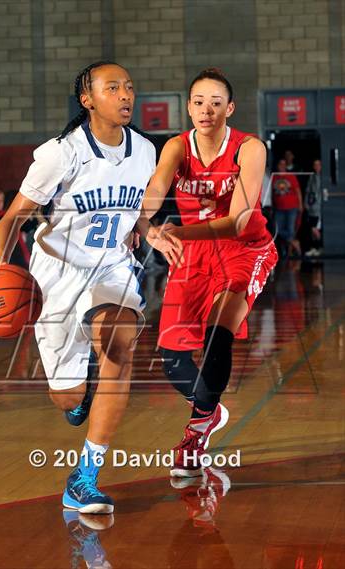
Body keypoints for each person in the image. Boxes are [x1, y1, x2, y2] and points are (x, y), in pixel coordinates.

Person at [0, 61, 179, 513]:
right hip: (57, 274)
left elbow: (135, 211)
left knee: (119, 343)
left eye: (129, 87)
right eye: (112, 87)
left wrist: (148, 230)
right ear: (87, 99)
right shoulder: (61, 153)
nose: (125, 94)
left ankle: (85, 479)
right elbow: (11, 219)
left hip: (111, 268)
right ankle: (81, 395)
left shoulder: (144, 151)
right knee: (68, 397)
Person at [139, 67, 278, 477]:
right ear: (189, 107)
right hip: (194, 254)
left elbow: (237, 222)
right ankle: (211, 411)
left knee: (220, 332)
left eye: (216, 103)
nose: (206, 110)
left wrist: (175, 229)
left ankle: (196, 432)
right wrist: (146, 228)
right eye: (199, 102)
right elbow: (154, 192)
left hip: (243, 249)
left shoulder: (249, 148)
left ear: (229, 109)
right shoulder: (176, 147)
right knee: (172, 357)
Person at [272, 158, 303, 257]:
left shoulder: (291, 176)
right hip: (279, 208)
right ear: (278, 166)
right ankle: (294, 243)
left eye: (284, 164)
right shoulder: (274, 177)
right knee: (277, 230)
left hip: (292, 207)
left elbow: (298, 191)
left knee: (291, 230)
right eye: (280, 164)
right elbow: (272, 193)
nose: (282, 166)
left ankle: (290, 252)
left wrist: (300, 205)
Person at [304, 159, 322, 257]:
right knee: (312, 228)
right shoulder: (312, 177)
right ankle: (314, 248)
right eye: (315, 165)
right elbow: (308, 191)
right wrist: (306, 202)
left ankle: (318, 247)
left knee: (316, 229)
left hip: (319, 209)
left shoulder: (324, 177)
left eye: (318, 164)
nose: (316, 166)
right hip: (312, 207)